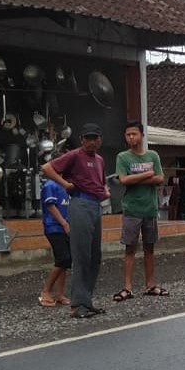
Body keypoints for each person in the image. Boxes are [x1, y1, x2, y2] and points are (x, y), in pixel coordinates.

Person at [41, 123, 109, 319]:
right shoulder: (75, 155)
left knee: (94, 256)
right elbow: (47, 168)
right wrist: (65, 184)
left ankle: (86, 300)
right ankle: (77, 305)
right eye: (87, 138)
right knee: (80, 255)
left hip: (95, 205)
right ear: (82, 140)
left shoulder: (100, 160)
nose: (91, 142)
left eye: (95, 138)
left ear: (100, 140)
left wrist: (103, 193)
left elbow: (101, 183)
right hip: (80, 202)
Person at [113, 121, 168, 301]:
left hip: (150, 208)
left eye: (134, 134)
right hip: (131, 209)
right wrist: (146, 175)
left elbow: (160, 178)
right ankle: (127, 287)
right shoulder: (123, 157)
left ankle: (150, 284)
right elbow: (123, 180)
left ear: (142, 135)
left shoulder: (153, 155)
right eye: (128, 135)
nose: (131, 137)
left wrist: (135, 178)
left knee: (149, 248)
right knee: (130, 248)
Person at [39, 173, 71, 308]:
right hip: (54, 227)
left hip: (66, 227)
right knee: (62, 258)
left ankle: (59, 294)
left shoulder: (65, 184)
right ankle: (46, 291)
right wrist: (63, 223)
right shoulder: (50, 185)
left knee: (66, 261)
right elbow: (51, 206)